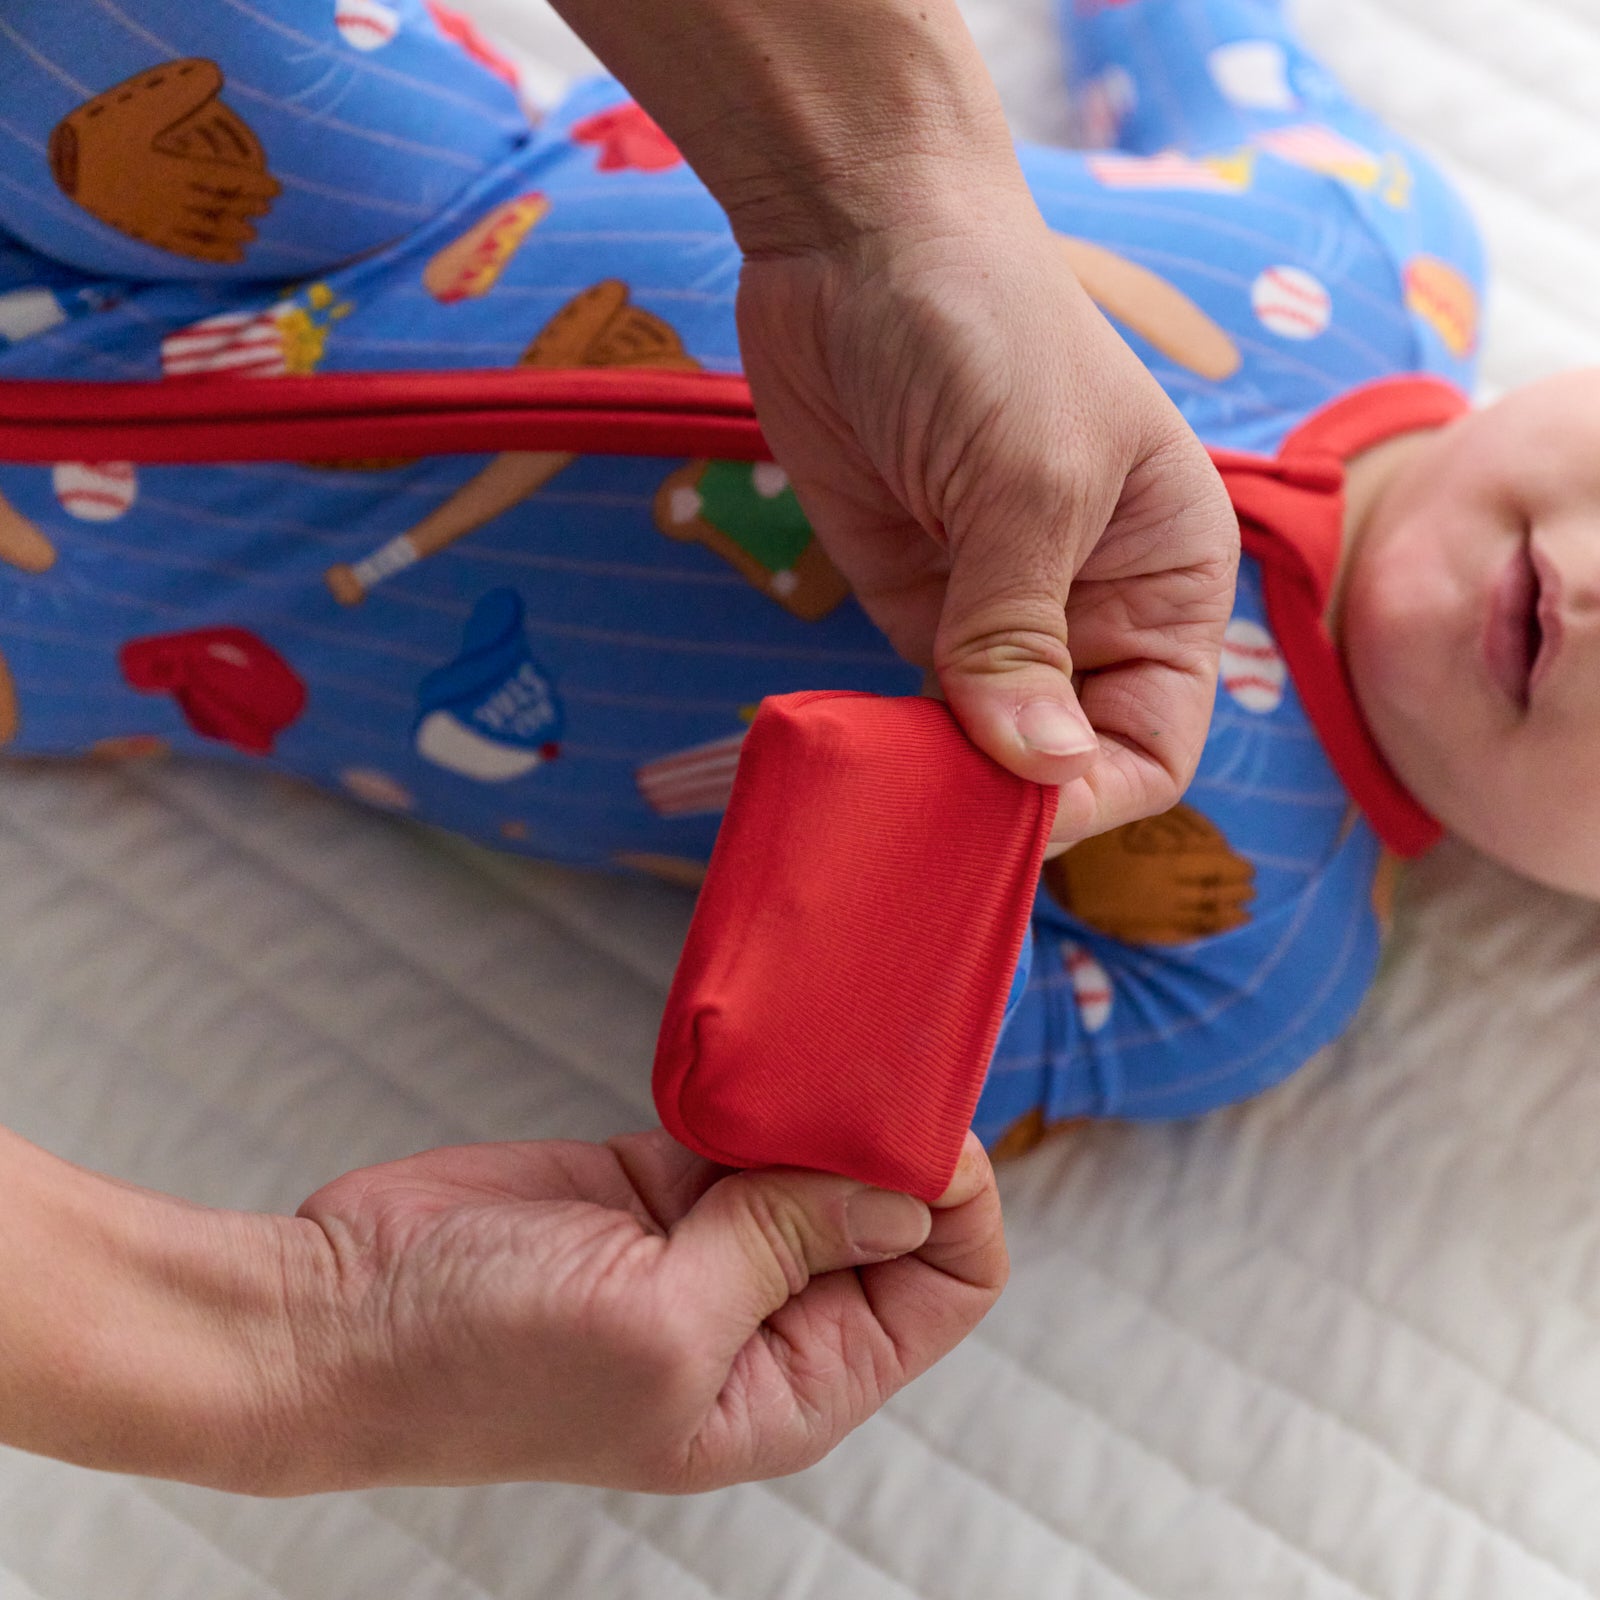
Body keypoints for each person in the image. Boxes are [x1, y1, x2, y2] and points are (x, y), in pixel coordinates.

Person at [0, 0, 1240, 1493]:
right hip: (402, 204)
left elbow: (908, 1104)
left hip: (134, 617)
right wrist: (888, 194)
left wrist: (311, 1343)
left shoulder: (1263, 951)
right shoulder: (1384, 252)